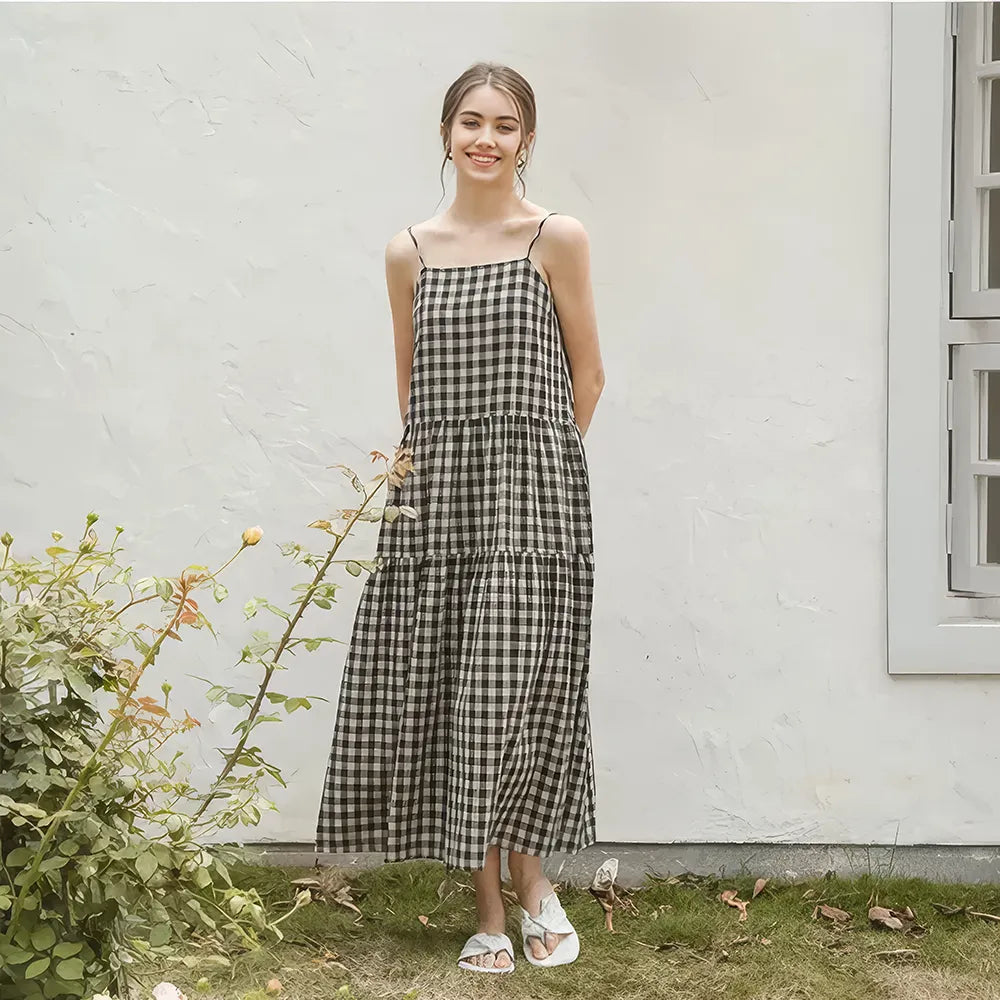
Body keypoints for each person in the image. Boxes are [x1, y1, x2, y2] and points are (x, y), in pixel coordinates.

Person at [315, 61, 605, 974]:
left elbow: (587, 376)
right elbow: (412, 392)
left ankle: (533, 882)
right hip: (437, 500)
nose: (486, 138)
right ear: (446, 133)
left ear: (526, 139)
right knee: (452, 693)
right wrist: (435, 475)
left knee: (518, 693)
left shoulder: (555, 237)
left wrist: (539, 467)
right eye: (471, 121)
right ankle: (493, 903)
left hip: (533, 502)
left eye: (505, 125)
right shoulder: (409, 249)